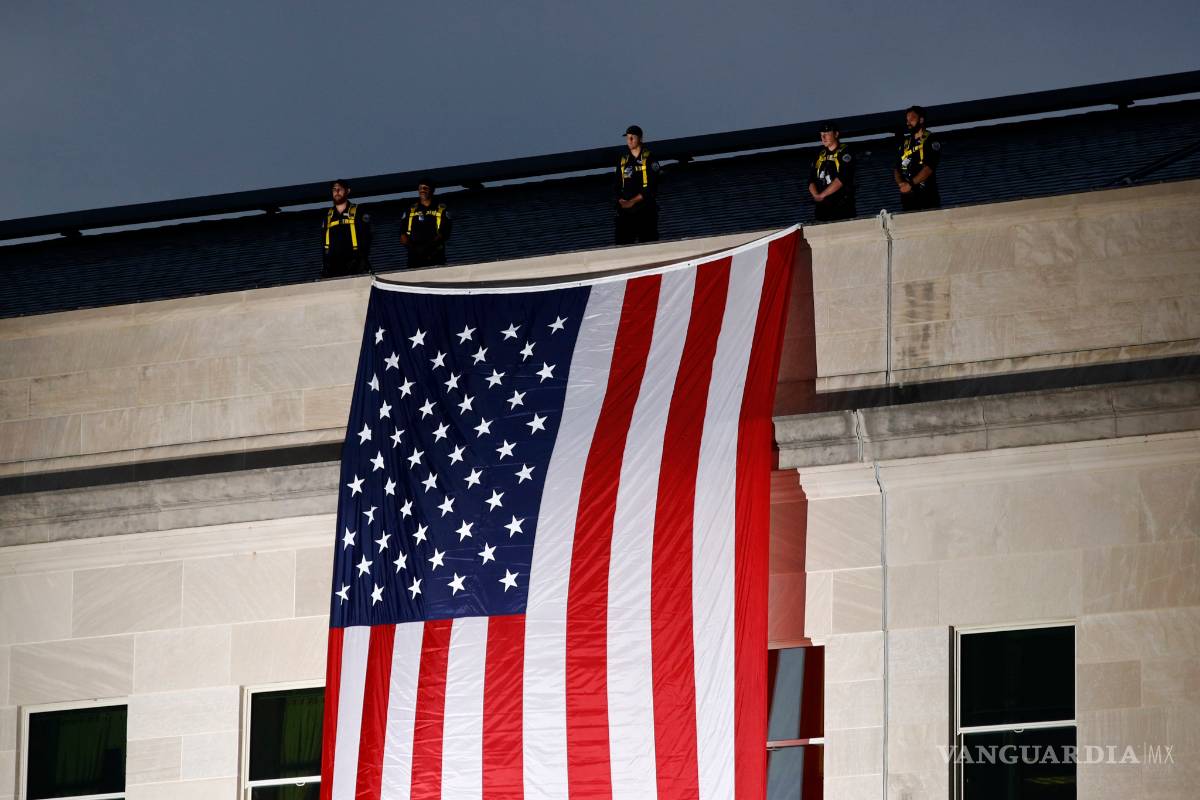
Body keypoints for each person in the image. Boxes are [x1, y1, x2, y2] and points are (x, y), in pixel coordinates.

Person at [614, 124, 661, 244]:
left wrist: (633, 201)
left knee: (648, 244)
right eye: (627, 138)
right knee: (623, 246)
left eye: (632, 137)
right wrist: (621, 200)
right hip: (626, 212)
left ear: (640, 138)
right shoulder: (623, 160)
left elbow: (652, 187)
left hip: (645, 210)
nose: (629, 141)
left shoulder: (649, 158)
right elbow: (617, 185)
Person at [894, 105, 942, 212]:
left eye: (912, 119)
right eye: (907, 120)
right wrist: (901, 184)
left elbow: (929, 168)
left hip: (927, 196)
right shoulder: (905, 143)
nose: (908, 123)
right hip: (908, 199)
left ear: (921, 120)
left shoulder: (931, 140)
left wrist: (910, 184)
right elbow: (897, 169)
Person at [321, 179, 372, 278]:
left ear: (347, 191)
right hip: (333, 266)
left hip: (354, 264)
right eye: (334, 189)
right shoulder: (328, 216)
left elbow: (367, 237)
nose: (337, 192)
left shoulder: (359, 211)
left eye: (340, 189)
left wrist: (361, 260)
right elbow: (323, 243)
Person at [808, 121, 856, 222]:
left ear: (836, 134)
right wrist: (816, 195)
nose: (823, 137)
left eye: (827, 134)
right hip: (822, 207)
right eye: (821, 135)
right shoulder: (819, 154)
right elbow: (811, 180)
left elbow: (842, 179)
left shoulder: (845, 152)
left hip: (841, 205)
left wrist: (822, 195)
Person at [400, 178, 452, 268]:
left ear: (432, 190)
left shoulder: (441, 209)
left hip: (436, 257)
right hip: (414, 259)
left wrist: (426, 248)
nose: (422, 191)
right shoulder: (410, 210)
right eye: (420, 188)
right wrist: (415, 249)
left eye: (425, 188)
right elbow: (402, 235)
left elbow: (444, 234)